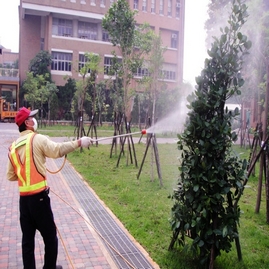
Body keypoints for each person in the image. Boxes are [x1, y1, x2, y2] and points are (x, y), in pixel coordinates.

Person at [6, 107, 92, 269]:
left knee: (27, 241)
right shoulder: (37, 139)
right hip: (39, 200)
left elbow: (11, 176)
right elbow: (57, 150)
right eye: (32, 117)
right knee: (50, 237)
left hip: (24, 203)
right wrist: (80, 142)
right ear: (27, 123)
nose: (34, 119)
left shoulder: (13, 147)